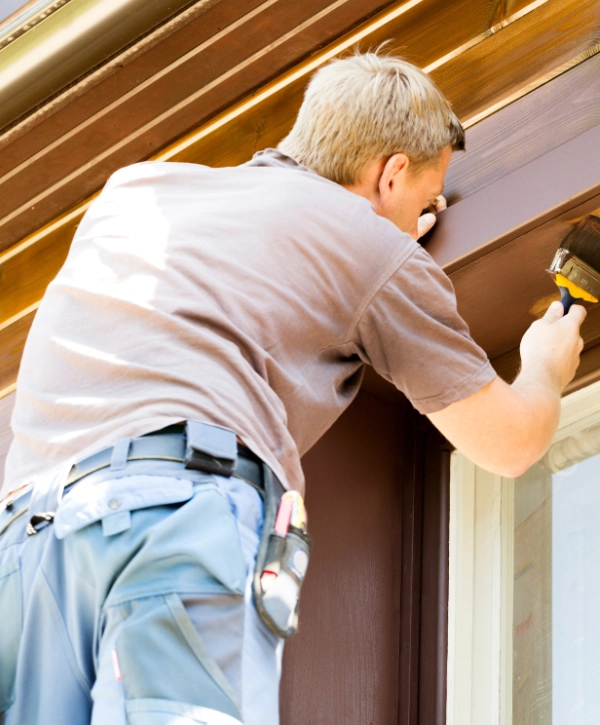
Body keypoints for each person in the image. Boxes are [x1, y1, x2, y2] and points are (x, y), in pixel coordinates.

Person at [0, 52, 585, 724]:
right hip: (174, 517)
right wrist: (543, 367)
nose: (426, 215)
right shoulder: (368, 247)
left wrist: (383, 226)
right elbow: (510, 444)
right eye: (426, 198)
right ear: (390, 173)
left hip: (27, 544)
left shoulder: (135, 195)